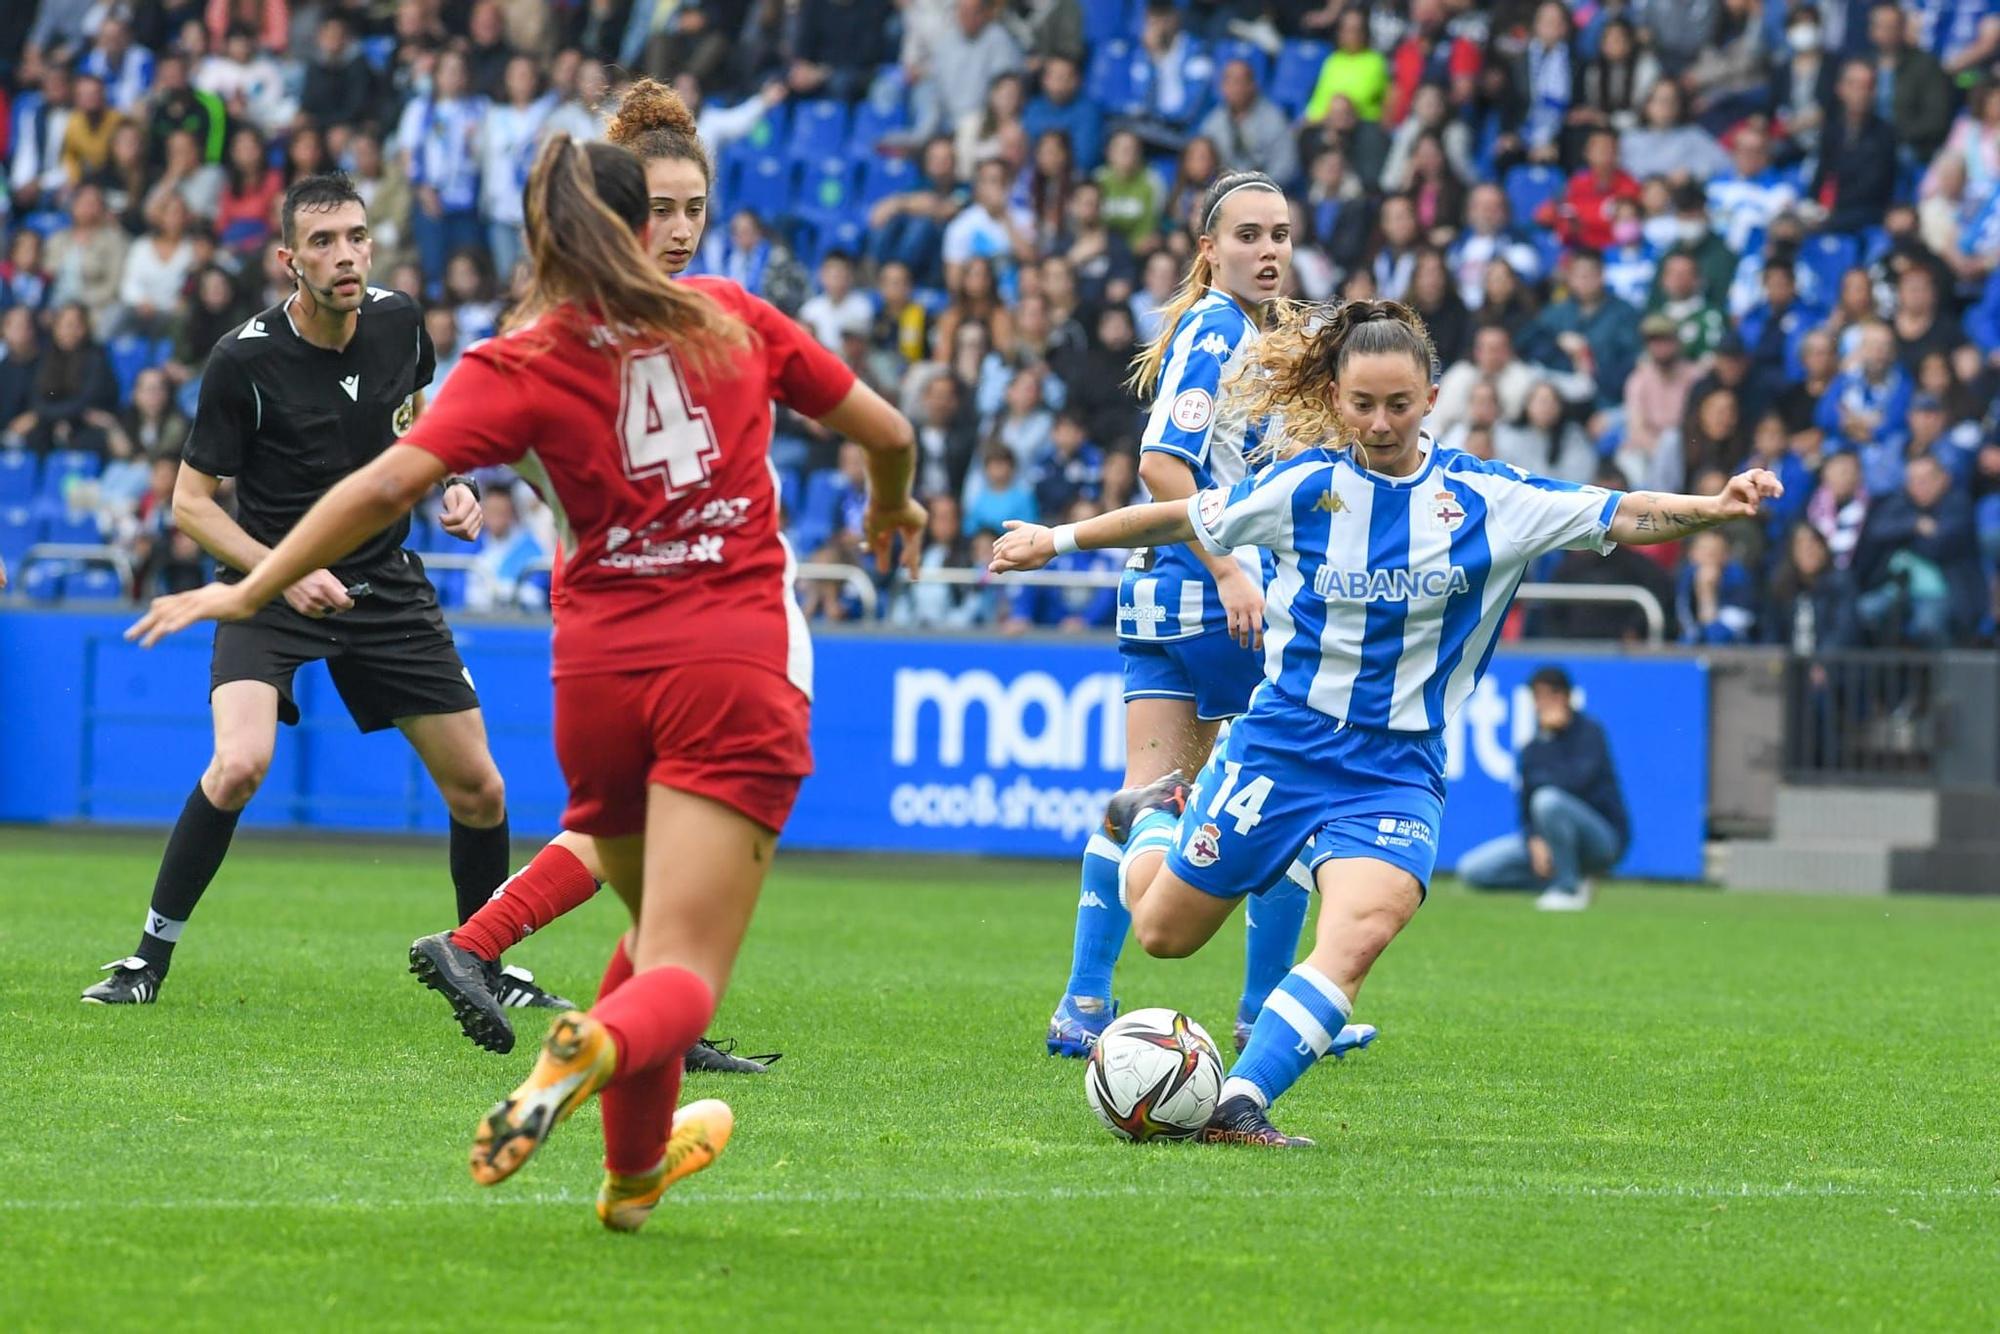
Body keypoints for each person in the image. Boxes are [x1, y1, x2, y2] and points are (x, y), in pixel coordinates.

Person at [128, 132, 925, 1231]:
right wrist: (890, 504)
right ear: (648, 225)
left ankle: (632, 1179)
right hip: (730, 656)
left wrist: (247, 583)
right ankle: (583, 1045)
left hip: (599, 670)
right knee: (683, 969)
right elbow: (886, 431)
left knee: (644, 930)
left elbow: (385, 482)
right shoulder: (731, 314)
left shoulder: (522, 355)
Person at [992, 298, 1783, 1145]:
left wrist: (1716, 504)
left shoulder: (1490, 497)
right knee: (1163, 935)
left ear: (1432, 398)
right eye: (1362, 404)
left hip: (1395, 770)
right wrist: (1059, 538)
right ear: (1335, 399)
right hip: (1281, 748)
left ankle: (1239, 1105)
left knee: (1361, 932)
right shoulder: (1305, 490)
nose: (1379, 422)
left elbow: (1620, 513)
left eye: (1398, 405)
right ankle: (1146, 818)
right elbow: (1181, 516)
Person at [79, 173, 521, 1009]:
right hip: (269, 588)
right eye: (323, 242)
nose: (345, 254)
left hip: (385, 583)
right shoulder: (241, 360)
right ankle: (147, 960)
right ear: (290, 260)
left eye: (355, 235)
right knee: (240, 764)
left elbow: (417, 420)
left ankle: (485, 962)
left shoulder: (398, 322)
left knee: (482, 789)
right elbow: (189, 504)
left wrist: (451, 479)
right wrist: (280, 570)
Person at [1045, 170, 1372, 1064]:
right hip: (1216, 604)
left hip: (1158, 601)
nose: (1269, 252)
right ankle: (1265, 1009)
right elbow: (1163, 466)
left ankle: (1082, 1001)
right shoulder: (1221, 328)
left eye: (1281, 235)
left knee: (1146, 797)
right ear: (1210, 249)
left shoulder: (1244, 333)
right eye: (1249, 237)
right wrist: (1233, 572)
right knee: (1286, 800)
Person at [1457, 666, 1628, 911]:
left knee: (1547, 800)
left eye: (1548, 696)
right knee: (1472, 870)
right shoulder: (1531, 748)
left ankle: (1567, 888)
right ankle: (1566, 882)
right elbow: (1525, 805)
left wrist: (1551, 741)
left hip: (1600, 839)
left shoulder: (1590, 733)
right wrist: (1534, 839)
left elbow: (1577, 783)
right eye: (1537, 698)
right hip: (1549, 844)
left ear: (1565, 697)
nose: (1541, 705)